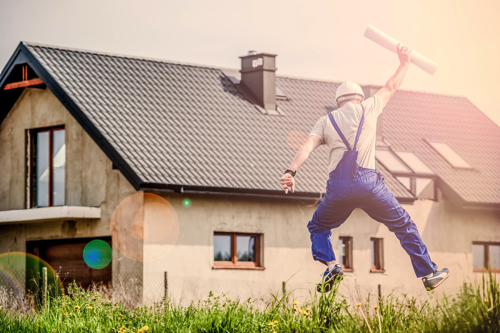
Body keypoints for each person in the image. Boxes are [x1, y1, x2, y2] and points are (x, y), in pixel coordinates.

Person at [280, 44, 449, 292]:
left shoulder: (325, 121)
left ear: (338, 103)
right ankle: (429, 273)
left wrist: (290, 172)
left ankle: (331, 266)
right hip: (370, 186)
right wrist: (404, 62)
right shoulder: (368, 108)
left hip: (338, 190)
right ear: (359, 98)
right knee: (403, 225)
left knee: (318, 226)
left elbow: (306, 146)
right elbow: (391, 86)